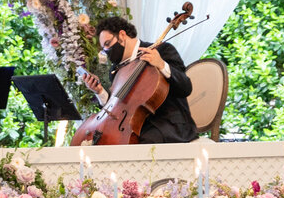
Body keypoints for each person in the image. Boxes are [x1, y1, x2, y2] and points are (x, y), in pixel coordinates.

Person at [83, 13, 198, 145]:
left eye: (108, 44)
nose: (107, 51)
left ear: (122, 35)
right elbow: (118, 109)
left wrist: (161, 64)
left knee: (143, 142)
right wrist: (100, 92)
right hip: (136, 126)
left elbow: (186, 88)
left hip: (168, 124)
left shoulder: (163, 50)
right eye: (104, 48)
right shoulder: (117, 69)